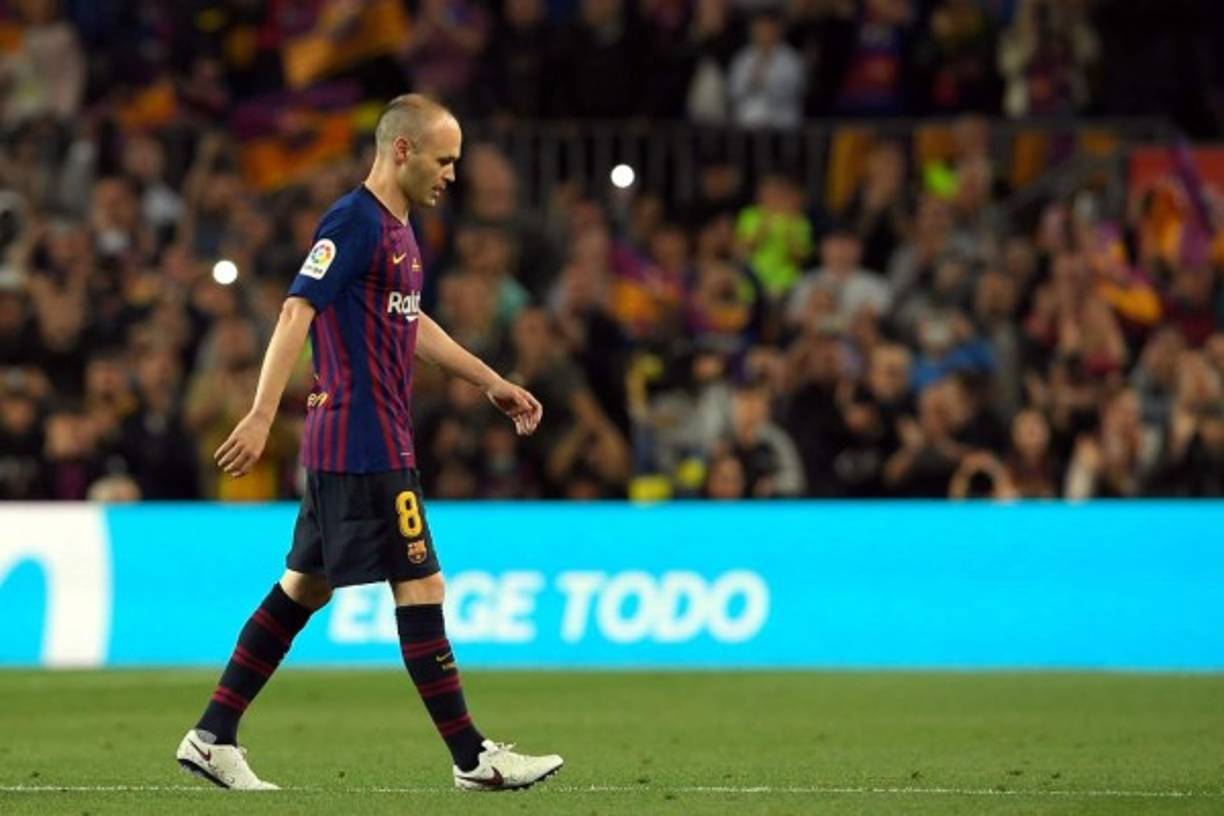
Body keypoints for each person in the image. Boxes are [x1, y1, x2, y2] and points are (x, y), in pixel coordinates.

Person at [174, 94, 563, 792]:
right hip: (364, 442)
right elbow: (298, 307)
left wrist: (489, 380)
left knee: (304, 588)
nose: (452, 174)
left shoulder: (401, 234)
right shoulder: (354, 221)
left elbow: (412, 325)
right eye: (445, 160)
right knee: (421, 583)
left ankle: (212, 735)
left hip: (357, 441)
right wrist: (263, 412)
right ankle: (474, 757)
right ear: (403, 150)